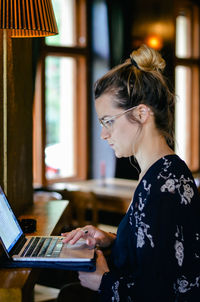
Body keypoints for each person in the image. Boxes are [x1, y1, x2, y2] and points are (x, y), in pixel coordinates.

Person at [62, 44, 200, 301]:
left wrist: (103, 281)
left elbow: (162, 292)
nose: (104, 134)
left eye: (108, 121)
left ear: (141, 113)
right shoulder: (159, 173)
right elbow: (154, 254)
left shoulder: (164, 185)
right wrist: (112, 241)